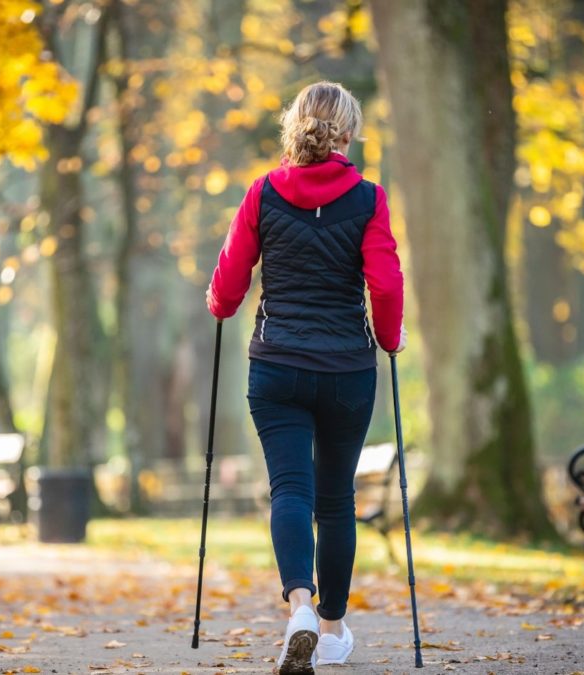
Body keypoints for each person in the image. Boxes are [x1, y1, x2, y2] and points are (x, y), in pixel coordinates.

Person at [205, 81, 406, 674]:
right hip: (346, 370)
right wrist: (390, 338)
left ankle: (299, 606)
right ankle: (333, 628)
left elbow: (230, 280)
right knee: (336, 499)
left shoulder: (263, 192)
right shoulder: (369, 197)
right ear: (348, 133)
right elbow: (387, 284)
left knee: (289, 489)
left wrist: (219, 303)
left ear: (295, 127)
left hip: (277, 367)